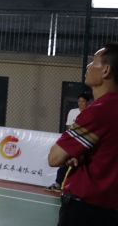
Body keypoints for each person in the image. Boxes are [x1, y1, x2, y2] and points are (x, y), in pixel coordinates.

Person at [48, 43, 118, 226]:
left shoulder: (98, 112)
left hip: (85, 209)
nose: (88, 66)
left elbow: (54, 157)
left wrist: (72, 154)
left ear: (106, 70)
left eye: (93, 62)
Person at [46, 93, 89, 192]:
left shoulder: (90, 113)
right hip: (73, 142)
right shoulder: (73, 112)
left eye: (83, 101)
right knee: (65, 162)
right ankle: (58, 184)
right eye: (79, 101)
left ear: (87, 102)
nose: (80, 103)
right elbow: (69, 127)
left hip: (84, 143)